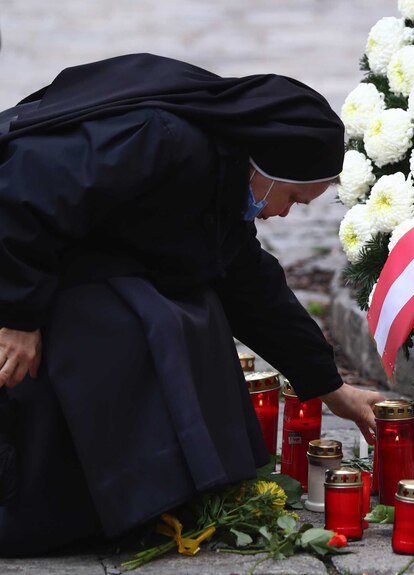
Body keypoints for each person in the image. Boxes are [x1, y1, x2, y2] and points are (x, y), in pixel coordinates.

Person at [0, 53, 385, 556]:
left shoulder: (221, 180)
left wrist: (330, 387)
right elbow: (25, 195)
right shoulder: (160, 138)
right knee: (136, 320)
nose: (281, 215)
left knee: (193, 305)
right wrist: (17, 317)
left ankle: (154, 486)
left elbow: (251, 287)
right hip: (15, 256)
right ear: (264, 169)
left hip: (57, 264)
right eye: (291, 198)